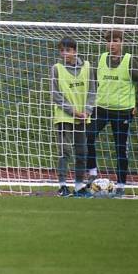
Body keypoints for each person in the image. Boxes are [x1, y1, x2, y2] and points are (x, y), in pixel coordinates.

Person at [86, 29, 138, 197]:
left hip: (122, 112)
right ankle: (93, 174)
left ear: (121, 42)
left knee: (120, 148)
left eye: (115, 40)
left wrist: (137, 104)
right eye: (109, 41)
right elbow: (95, 82)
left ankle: (121, 185)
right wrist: (90, 104)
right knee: (87, 136)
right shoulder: (102, 59)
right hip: (101, 109)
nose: (112, 44)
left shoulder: (130, 61)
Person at [50, 37, 95, 197]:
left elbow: (92, 91)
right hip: (64, 117)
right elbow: (56, 95)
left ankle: (78, 185)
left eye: (67, 50)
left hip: (83, 118)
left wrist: (87, 111)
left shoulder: (88, 67)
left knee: (82, 151)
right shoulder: (56, 68)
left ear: (75, 51)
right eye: (61, 50)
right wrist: (74, 112)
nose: (64, 54)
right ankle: (62, 185)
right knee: (65, 151)